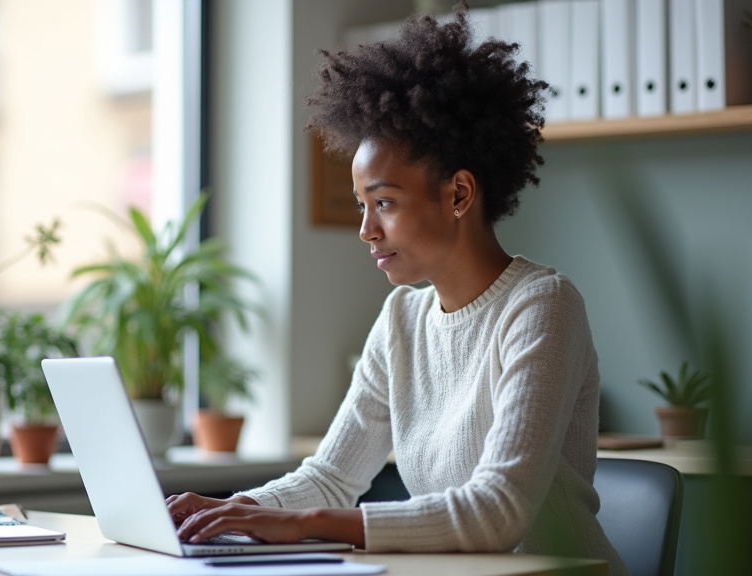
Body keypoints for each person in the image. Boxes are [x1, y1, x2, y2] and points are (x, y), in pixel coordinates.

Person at [167, 8, 628, 574]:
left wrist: (306, 524)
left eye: (383, 202)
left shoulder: (542, 305)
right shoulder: (401, 319)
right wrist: (232, 511)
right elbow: (330, 478)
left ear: (458, 194)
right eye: (362, 205)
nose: (366, 230)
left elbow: (498, 511)